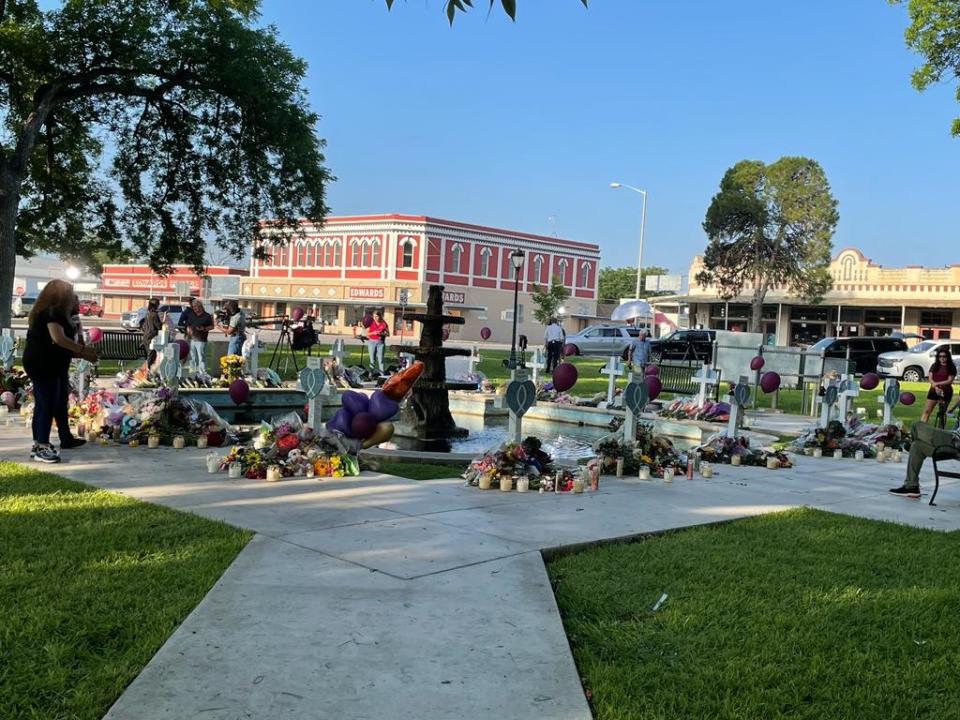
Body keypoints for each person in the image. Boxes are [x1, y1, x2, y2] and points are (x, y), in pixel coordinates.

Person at [22, 279, 99, 463]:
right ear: (61, 296)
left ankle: (65, 438)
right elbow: (58, 339)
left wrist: (79, 329)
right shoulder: (51, 313)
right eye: (71, 294)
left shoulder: (66, 315)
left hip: (56, 364)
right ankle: (41, 446)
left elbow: (74, 344)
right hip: (42, 363)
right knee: (46, 403)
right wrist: (84, 351)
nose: (74, 298)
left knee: (59, 401)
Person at [890, 421, 960, 499]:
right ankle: (911, 487)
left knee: (916, 425)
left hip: (955, 442)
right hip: (953, 440)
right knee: (916, 446)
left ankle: (910, 441)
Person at [919, 350, 956, 424]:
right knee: (927, 411)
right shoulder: (935, 365)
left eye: (944, 356)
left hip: (945, 391)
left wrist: (937, 384)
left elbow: (950, 380)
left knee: (941, 414)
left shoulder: (951, 367)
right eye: (940, 356)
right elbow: (930, 377)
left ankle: (940, 430)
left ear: (947, 357)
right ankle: (921, 427)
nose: (942, 358)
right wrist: (935, 386)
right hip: (933, 391)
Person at [179, 298, 214, 373]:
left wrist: (204, 328)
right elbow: (187, 324)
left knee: (201, 357)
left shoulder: (206, 316)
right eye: (193, 307)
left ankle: (202, 373)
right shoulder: (191, 315)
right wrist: (187, 328)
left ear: (200, 307)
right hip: (191, 339)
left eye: (196, 307)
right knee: (192, 357)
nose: (194, 308)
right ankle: (192, 372)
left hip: (201, 340)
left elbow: (212, 326)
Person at [142, 298, 163, 364]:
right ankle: (149, 371)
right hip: (152, 338)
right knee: (151, 356)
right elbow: (159, 327)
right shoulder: (154, 315)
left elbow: (143, 326)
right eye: (158, 304)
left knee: (148, 355)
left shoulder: (147, 314)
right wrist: (163, 321)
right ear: (156, 305)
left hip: (146, 337)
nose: (159, 306)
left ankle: (148, 370)